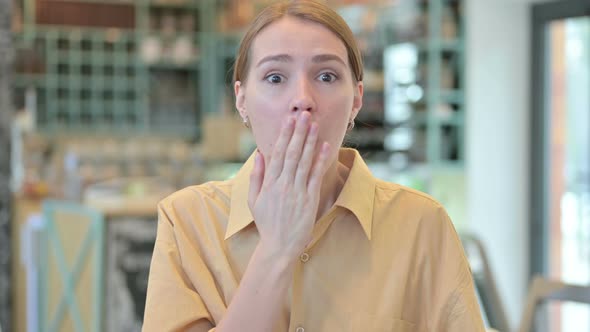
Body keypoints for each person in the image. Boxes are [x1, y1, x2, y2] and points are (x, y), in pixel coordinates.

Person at [143, 1, 485, 331]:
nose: (303, 100)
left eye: (326, 76)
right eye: (275, 78)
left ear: (357, 99)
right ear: (242, 98)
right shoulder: (185, 221)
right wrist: (277, 250)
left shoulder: (423, 225)